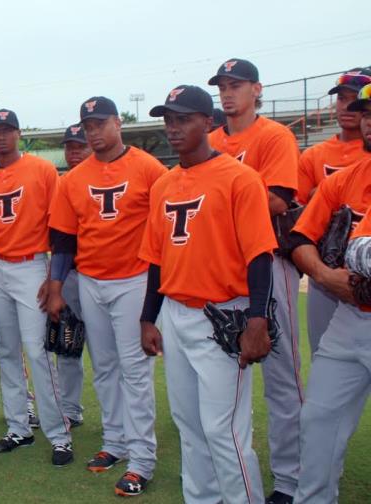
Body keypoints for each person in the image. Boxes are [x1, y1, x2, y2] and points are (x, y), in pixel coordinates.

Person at [140, 84, 276, 503]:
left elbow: (260, 255)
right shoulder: (164, 184)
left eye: (184, 119)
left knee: (225, 429)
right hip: (176, 313)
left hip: (224, 314)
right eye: (169, 120)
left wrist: (258, 319)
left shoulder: (240, 179)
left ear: (209, 122)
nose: (174, 128)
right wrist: (148, 316)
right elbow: (157, 259)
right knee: (189, 424)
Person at [46, 97, 164, 496]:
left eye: (100, 123)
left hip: (135, 279)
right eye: (87, 125)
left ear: (118, 123)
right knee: (106, 368)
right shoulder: (74, 178)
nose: (93, 132)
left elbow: (165, 228)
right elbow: (63, 239)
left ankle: (143, 459)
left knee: (135, 372)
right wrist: (58, 286)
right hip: (92, 281)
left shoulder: (148, 168)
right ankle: (115, 443)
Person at [208, 58, 302, 504]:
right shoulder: (208, 140)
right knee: (225, 377)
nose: (228, 93)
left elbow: (278, 201)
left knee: (282, 376)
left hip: (266, 262)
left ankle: (290, 479)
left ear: (257, 90)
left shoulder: (274, 136)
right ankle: (227, 469)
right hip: (218, 272)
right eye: (223, 86)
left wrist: (218, 202)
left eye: (236, 85)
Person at [0, 108, 73, 466]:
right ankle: (19, 428)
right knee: (7, 352)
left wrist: (53, 278)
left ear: (18, 133)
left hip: (31, 265)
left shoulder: (42, 170)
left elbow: (59, 229)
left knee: (38, 350)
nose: (0, 136)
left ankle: (59, 434)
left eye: (6, 130)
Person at [290, 83, 371, 502]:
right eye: (368, 112)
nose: (370, 120)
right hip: (350, 316)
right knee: (319, 416)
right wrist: (323, 274)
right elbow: (300, 236)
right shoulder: (347, 179)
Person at [296, 68, 371, 355]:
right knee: (324, 353)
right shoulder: (314, 154)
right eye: (341, 99)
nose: (346, 106)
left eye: (355, 98)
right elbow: (299, 210)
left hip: (363, 265)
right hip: (326, 266)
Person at [55, 123, 91, 428]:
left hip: (111, 278)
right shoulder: (62, 184)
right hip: (70, 274)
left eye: (79, 146)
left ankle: (121, 420)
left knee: (114, 356)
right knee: (67, 345)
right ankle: (69, 410)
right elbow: (60, 241)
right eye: (69, 147)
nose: (74, 152)